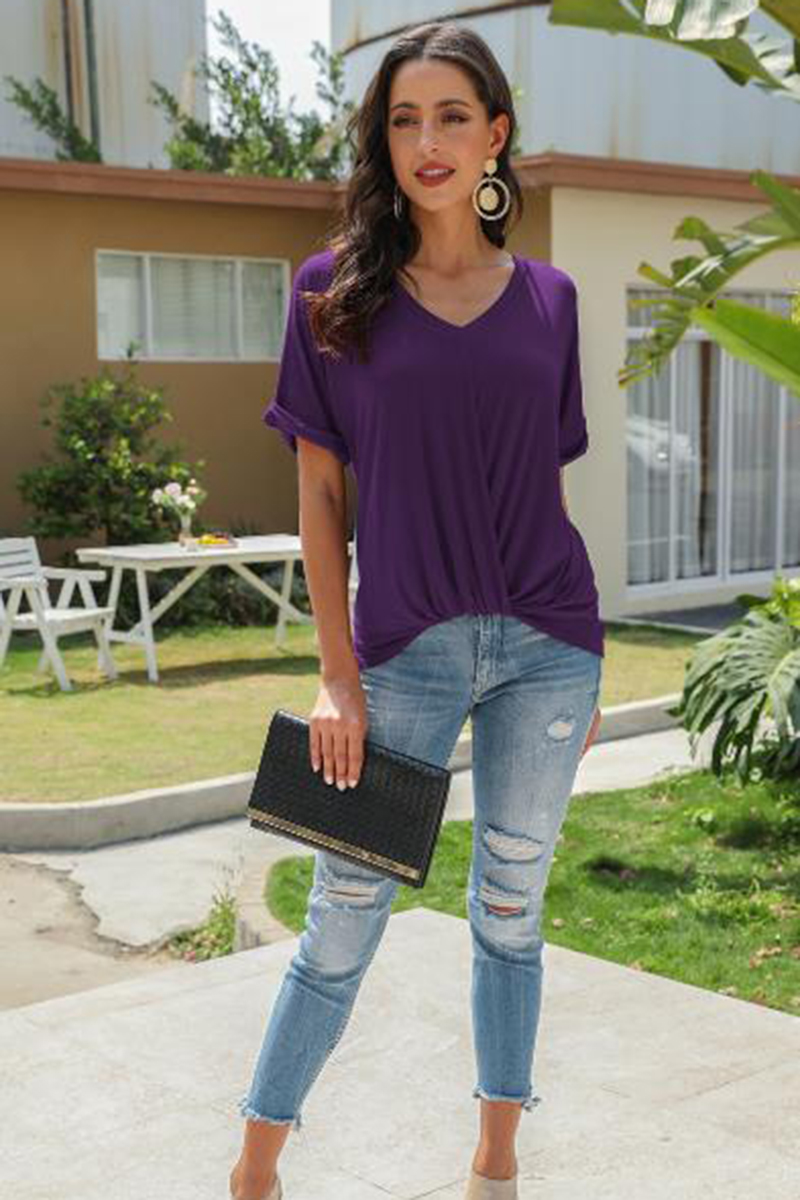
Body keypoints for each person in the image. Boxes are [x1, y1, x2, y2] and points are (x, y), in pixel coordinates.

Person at [229, 19, 604, 1200]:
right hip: (403, 648)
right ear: (381, 142)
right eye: (403, 119)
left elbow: (542, 490)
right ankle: (254, 1168)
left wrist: (589, 662)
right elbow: (319, 497)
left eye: (450, 116)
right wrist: (335, 675)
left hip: (549, 648)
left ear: (494, 135)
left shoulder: (550, 300)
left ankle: (494, 1158)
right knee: (343, 915)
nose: (426, 141)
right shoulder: (331, 292)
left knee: (511, 910)